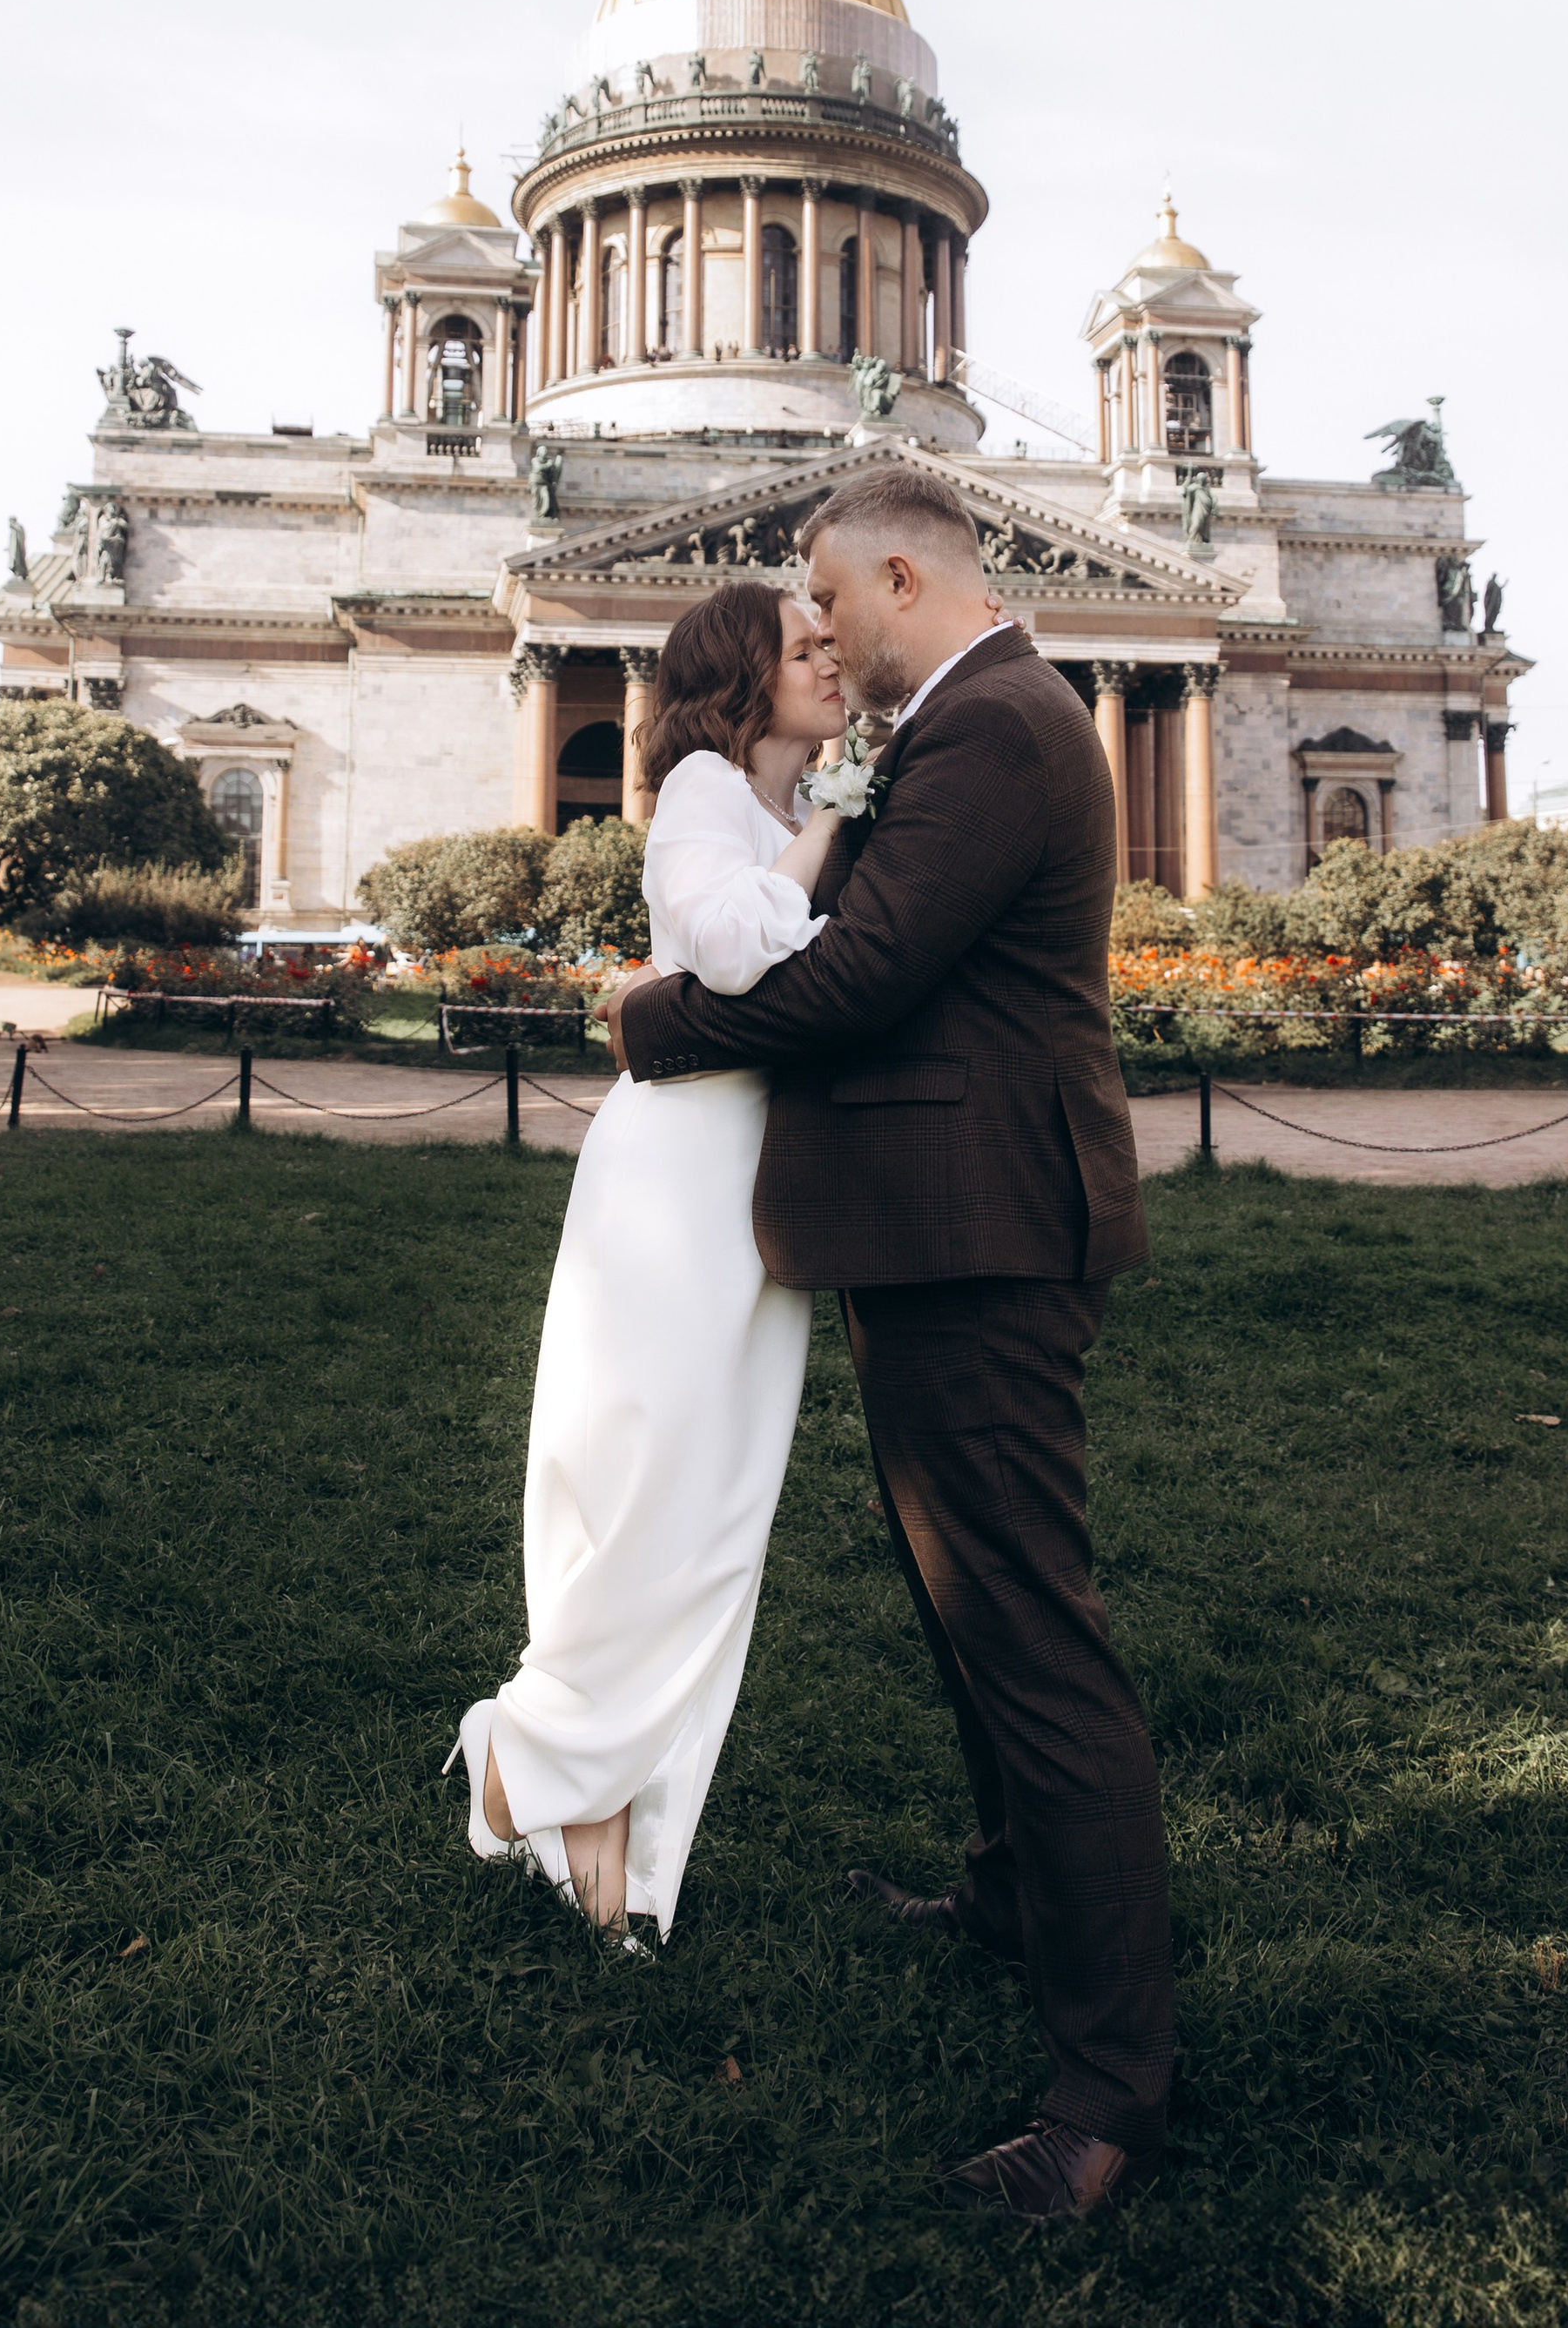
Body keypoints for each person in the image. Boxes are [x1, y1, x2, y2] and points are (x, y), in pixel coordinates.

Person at [606, 460, 1171, 2221]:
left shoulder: (994, 726)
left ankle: (1106, 2093)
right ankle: (1010, 1896)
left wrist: (645, 1023)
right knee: (964, 1601)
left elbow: (861, 976)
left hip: (981, 1229)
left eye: (833, 601)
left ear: (905, 578)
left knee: (1028, 1632)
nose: (823, 636)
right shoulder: (973, 719)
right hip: (945, 1221)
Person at [443, 581, 845, 1939]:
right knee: (646, 1491)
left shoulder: (782, 812)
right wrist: (838, 821)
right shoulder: (701, 793)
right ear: (740, 676)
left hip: (751, 1180)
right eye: (804, 647)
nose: (832, 659)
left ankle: (601, 1813)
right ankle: (539, 1766)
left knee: (713, 1518)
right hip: (680, 1173)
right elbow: (728, 952)